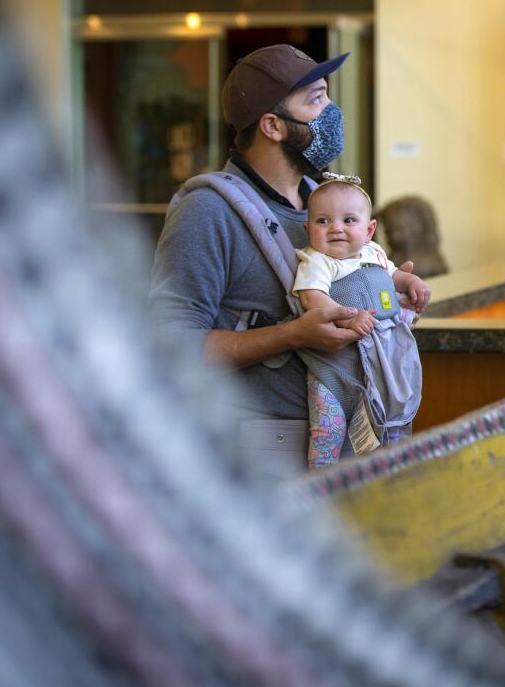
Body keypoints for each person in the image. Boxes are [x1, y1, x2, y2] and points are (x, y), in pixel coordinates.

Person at [150, 43, 409, 480]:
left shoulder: (322, 204)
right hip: (262, 464)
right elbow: (168, 347)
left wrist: (387, 296)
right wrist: (291, 335)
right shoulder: (208, 212)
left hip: (349, 447)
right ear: (272, 125)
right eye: (316, 100)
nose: (332, 111)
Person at [293, 174, 429, 465]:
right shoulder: (317, 261)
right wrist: (347, 319)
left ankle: (389, 477)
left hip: (382, 361)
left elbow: (394, 275)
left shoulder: (374, 253)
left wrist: (412, 282)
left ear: (369, 230)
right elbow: (312, 298)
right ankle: (322, 489)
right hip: (335, 366)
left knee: (389, 421)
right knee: (328, 430)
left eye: (348, 220)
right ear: (308, 229)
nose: (336, 229)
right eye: (323, 221)